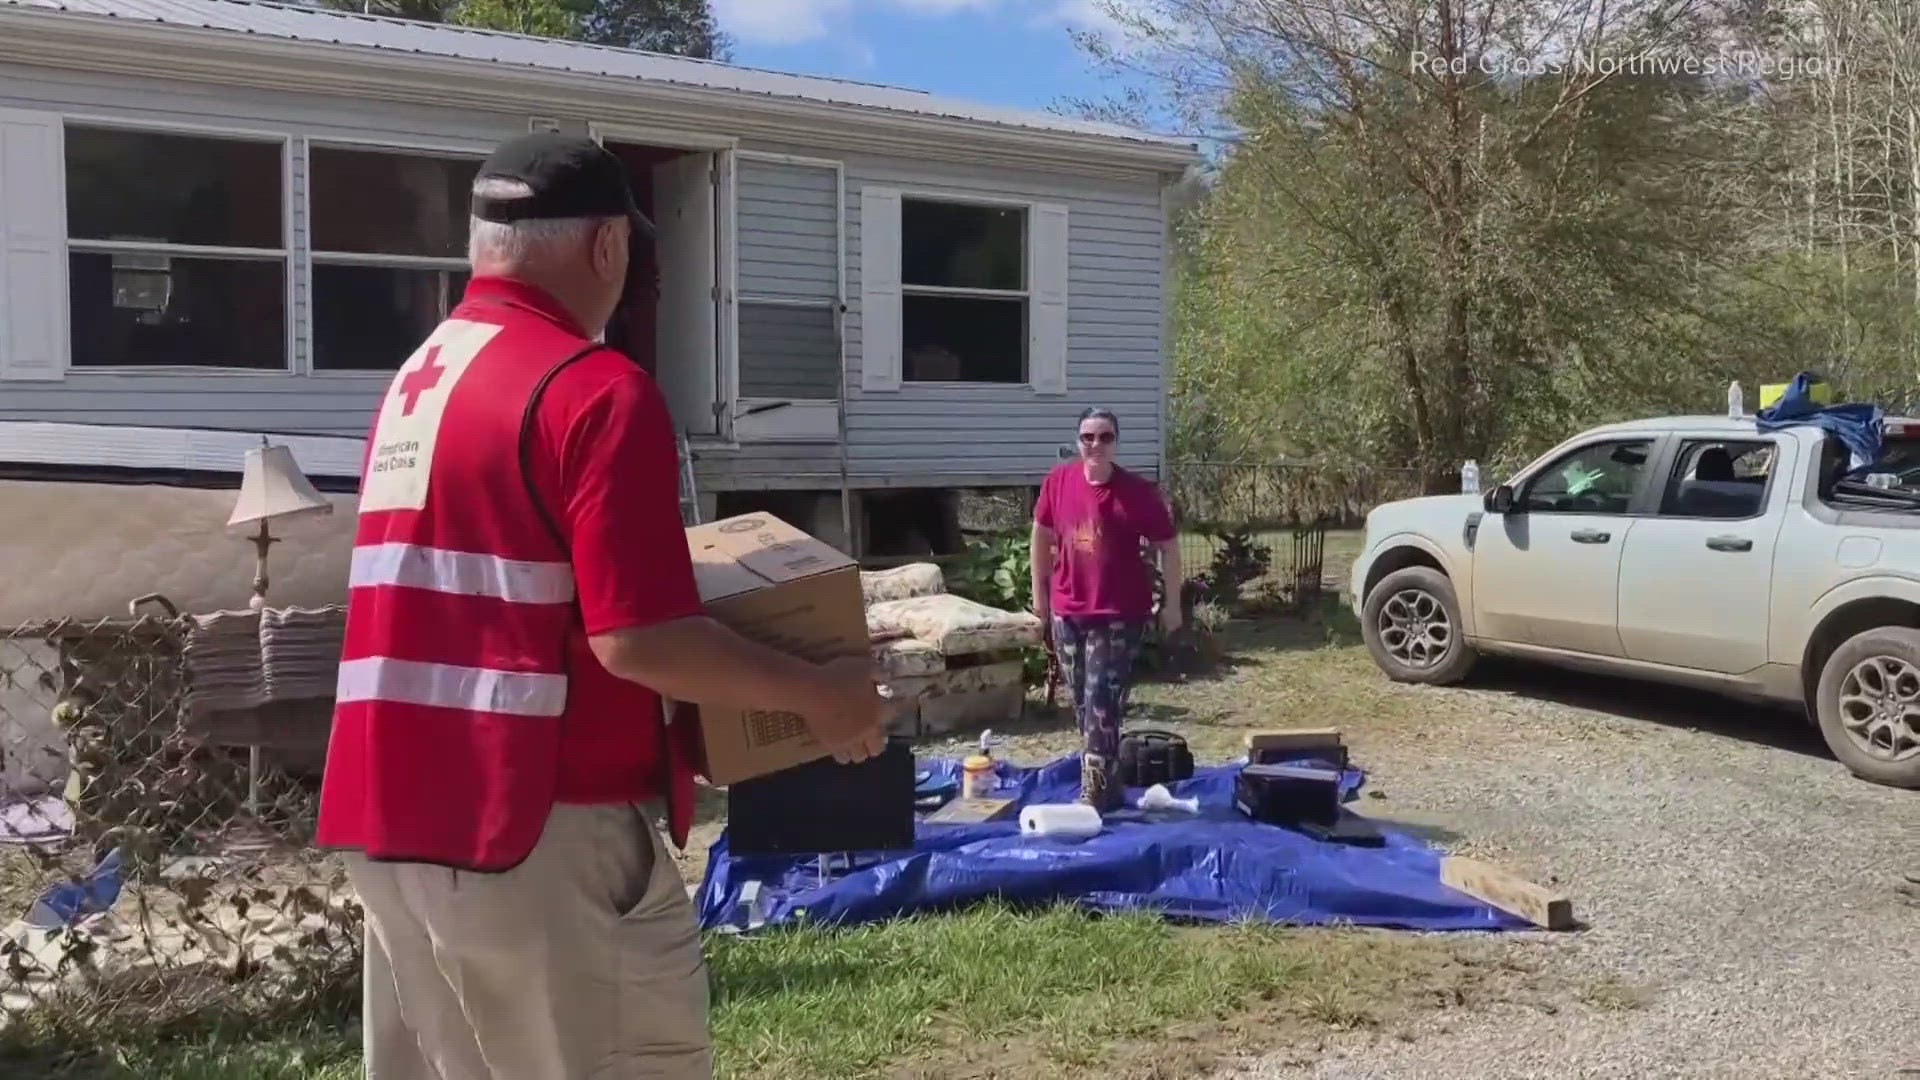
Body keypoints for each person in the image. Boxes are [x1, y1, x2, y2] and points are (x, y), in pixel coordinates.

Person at [315, 133, 889, 1080]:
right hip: (536, 833)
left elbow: (515, 612)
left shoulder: (420, 382)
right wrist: (824, 695)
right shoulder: (594, 390)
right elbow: (638, 636)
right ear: (607, 247)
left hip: (390, 823)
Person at [1030, 407, 1182, 810]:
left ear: (1116, 442)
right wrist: (1040, 598)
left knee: (1100, 697)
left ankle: (1092, 790)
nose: (1096, 444)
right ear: (1078, 441)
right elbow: (1041, 538)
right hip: (1068, 609)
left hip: (1118, 612)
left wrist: (1172, 604)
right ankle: (1110, 782)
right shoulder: (1058, 482)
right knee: (1084, 702)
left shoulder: (1136, 492)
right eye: (1088, 437)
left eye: (1105, 437)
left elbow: (1168, 545)